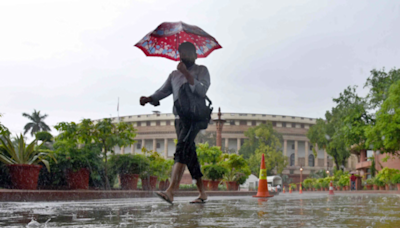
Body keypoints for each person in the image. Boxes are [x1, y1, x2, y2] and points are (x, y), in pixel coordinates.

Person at [140, 42, 210, 204]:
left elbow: (202, 90)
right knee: (189, 154)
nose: (184, 56)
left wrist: (187, 74)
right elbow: (163, 91)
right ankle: (202, 193)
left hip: (195, 118)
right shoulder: (174, 74)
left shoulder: (202, 70)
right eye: (182, 53)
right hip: (180, 119)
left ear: (195, 55)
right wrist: (150, 98)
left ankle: (171, 191)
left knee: (182, 148)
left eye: (188, 53)